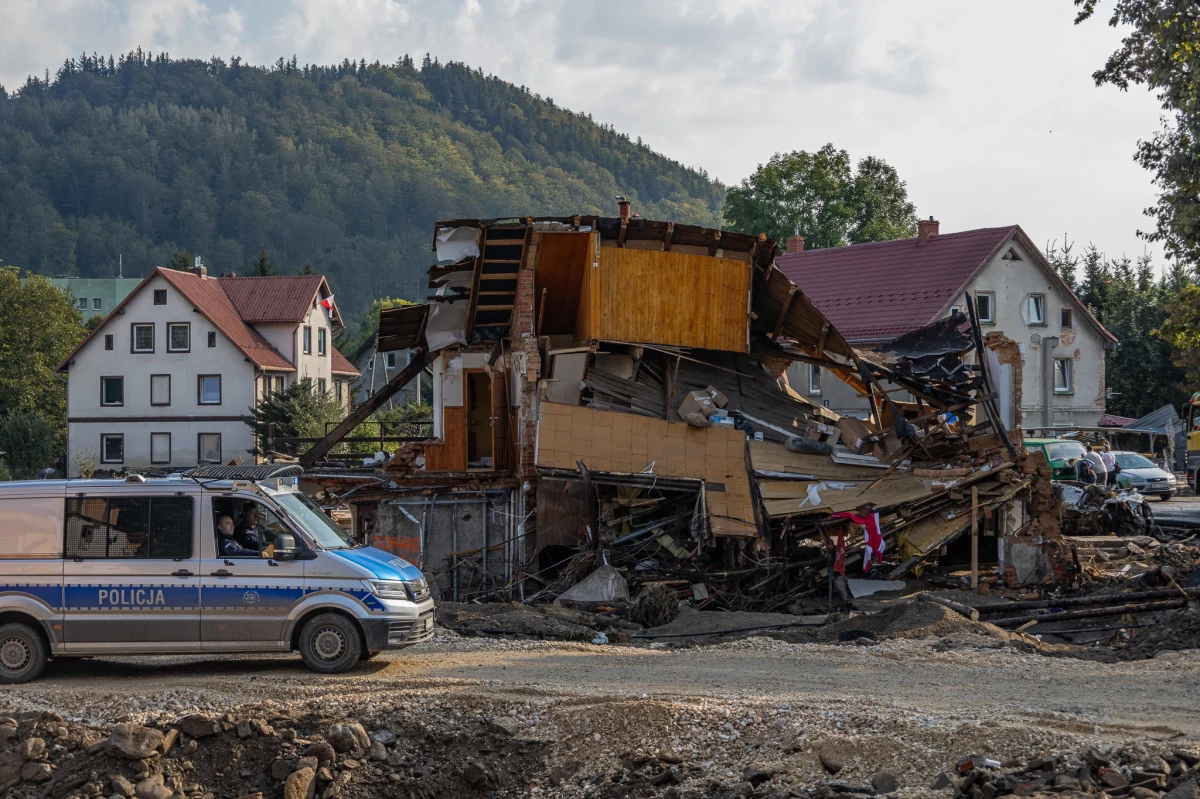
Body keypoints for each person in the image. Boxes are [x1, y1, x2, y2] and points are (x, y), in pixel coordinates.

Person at [829, 503, 885, 572]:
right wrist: (865, 569)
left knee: (853, 516)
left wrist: (878, 561)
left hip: (873, 517)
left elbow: (869, 557)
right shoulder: (872, 547)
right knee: (851, 515)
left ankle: (868, 507)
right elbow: (867, 558)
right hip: (870, 521)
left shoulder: (879, 546)